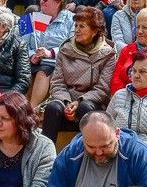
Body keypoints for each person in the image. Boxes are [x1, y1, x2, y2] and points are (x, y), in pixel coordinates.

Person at [41, 7, 118, 140]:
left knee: (85, 108)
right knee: (52, 108)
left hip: (92, 101)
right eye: (76, 25)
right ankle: (46, 155)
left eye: (82, 26)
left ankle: (88, 154)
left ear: (94, 31)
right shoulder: (65, 49)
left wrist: (78, 102)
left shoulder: (108, 54)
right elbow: (57, 82)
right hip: (65, 99)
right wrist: (66, 103)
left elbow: (103, 89)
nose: (77, 30)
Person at [22, 0, 76, 107]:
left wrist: (50, 53)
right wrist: (32, 56)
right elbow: (21, 44)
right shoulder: (30, 18)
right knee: (25, 72)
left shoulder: (72, 19)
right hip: (31, 62)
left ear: (58, 1)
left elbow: (72, 45)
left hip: (56, 63)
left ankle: (31, 110)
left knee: (43, 72)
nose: (41, 1)